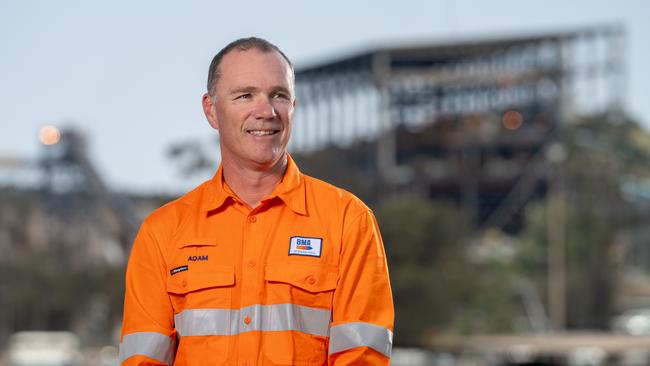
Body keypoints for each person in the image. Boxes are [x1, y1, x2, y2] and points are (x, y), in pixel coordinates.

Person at [118, 37, 394, 365]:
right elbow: (143, 359)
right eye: (245, 95)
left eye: (278, 95)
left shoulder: (348, 221)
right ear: (211, 110)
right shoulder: (161, 234)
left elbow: (362, 357)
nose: (265, 111)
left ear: (293, 106)